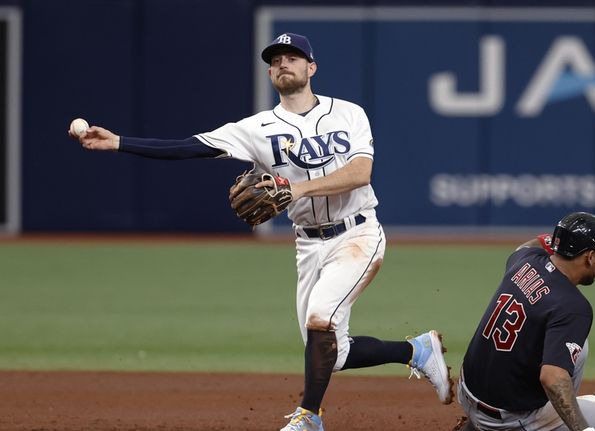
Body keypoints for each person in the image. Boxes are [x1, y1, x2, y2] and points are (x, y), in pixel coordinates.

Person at [69, 32, 452, 431]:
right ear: (270, 73)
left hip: (358, 235)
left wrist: (295, 188)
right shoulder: (258, 128)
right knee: (328, 353)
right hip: (309, 244)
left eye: (292, 57)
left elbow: (361, 173)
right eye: (275, 60)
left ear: (311, 67)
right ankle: (417, 350)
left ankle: (309, 418)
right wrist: (119, 143)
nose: (283, 63)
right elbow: (189, 146)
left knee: (320, 320)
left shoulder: (349, 113)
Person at [454, 210, 595, 431]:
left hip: (466, 391)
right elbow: (552, 378)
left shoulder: (525, 260)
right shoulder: (574, 307)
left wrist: (572, 237)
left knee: (578, 346)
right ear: (589, 257)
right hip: (506, 420)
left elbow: (530, 245)